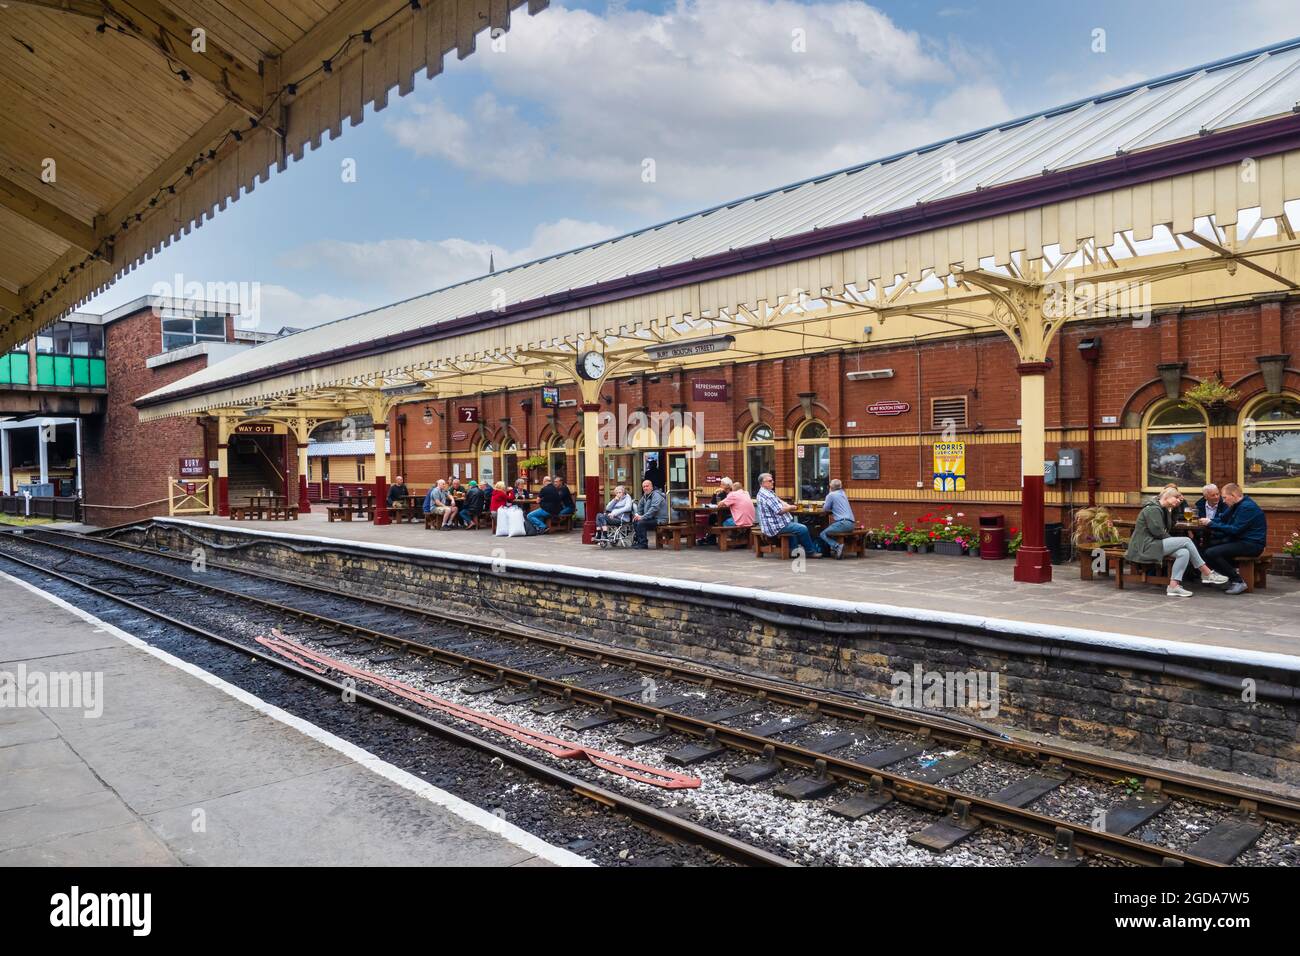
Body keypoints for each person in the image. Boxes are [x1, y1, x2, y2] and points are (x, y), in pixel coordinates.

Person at [1126, 488, 1228, 597]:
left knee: (1184, 552)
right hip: (1145, 546)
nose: (1178, 500)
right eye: (1176, 497)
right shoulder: (1152, 509)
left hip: (1155, 544)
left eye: (1179, 499)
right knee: (1186, 540)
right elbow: (1158, 532)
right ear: (1167, 496)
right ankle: (1206, 572)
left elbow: (1171, 525)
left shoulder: (1164, 509)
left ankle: (1173, 586)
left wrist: (1176, 507)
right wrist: (1174, 542)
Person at [1199, 482, 1267, 595]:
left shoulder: (1247, 507)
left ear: (1234, 495)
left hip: (1252, 544)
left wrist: (1211, 524)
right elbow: (1222, 519)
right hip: (1240, 540)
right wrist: (1206, 521)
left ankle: (1238, 581)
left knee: (1212, 552)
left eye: (1225, 497)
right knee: (1205, 548)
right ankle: (1226, 578)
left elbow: (1235, 529)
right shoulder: (1237, 505)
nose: (1223, 501)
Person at [755, 472, 823, 556]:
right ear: (763, 483)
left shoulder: (767, 492)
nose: (773, 482)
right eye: (770, 481)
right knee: (803, 528)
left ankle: (792, 551)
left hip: (775, 525)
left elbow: (780, 501)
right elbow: (779, 511)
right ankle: (810, 552)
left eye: (772, 480)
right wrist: (791, 508)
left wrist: (788, 505)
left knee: (794, 527)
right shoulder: (767, 495)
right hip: (775, 527)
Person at [819, 478, 857, 557]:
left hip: (843, 523)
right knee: (830, 531)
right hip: (851, 524)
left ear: (831, 487)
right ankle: (835, 548)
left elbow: (825, 509)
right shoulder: (843, 493)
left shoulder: (831, 495)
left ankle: (837, 546)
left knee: (823, 534)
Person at [631, 478, 668, 548]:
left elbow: (654, 509)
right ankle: (639, 541)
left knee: (641, 523)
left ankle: (643, 544)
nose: (645, 488)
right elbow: (640, 508)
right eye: (644, 487)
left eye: (647, 486)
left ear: (651, 487)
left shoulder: (656, 495)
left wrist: (642, 517)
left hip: (660, 519)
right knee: (636, 521)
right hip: (651, 518)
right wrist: (637, 515)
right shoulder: (645, 496)